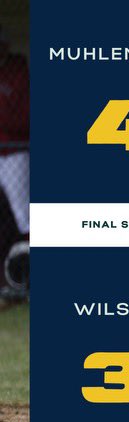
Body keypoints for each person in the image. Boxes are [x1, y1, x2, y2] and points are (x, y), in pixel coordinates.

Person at [0, 25, 30, 291]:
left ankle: (27, 277)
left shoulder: (18, 71)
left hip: (14, 151)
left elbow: (23, 118)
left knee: (24, 217)